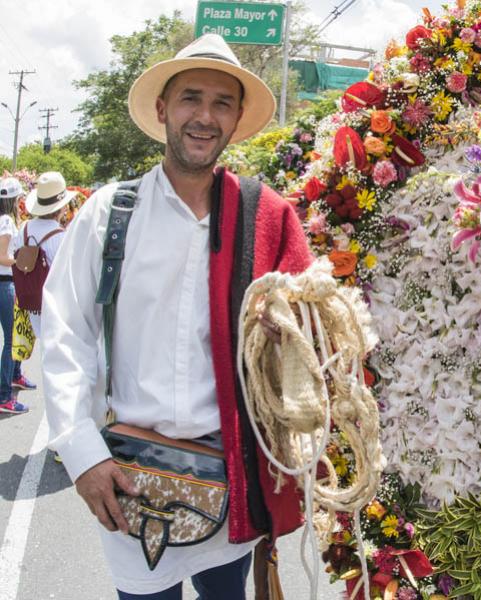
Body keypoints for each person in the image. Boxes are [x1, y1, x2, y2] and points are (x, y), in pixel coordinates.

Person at [41, 34, 315, 599]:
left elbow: (311, 339)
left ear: (237, 120)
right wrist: (83, 456)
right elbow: (65, 334)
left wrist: (286, 334)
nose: (204, 117)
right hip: (130, 474)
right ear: (163, 109)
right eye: (191, 98)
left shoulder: (266, 217)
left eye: (222, 103)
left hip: (231, 472)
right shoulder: (110, 214)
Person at [10, 171, 70, 339]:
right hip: (54, 305)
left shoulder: (25, 228)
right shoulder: (61, 236)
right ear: (61, 206)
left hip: (31, 302)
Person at [0, 177, 36, 414]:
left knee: (16, 334)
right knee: (13, 339)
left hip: (6, 283)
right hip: (5, 283)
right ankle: (4, 396)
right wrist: (22, 262)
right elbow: (1, 256)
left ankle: (15, 376)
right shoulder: (5, 221)